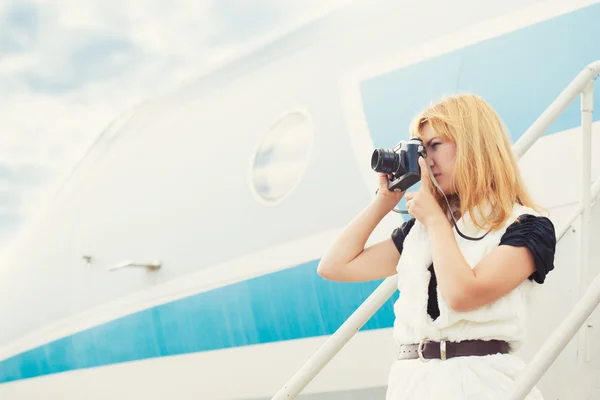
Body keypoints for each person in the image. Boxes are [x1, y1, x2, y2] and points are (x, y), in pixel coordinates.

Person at [317, 93, 556, 399]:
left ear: (473, 146)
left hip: (482, 384)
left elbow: (461, 295)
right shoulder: (421, 231)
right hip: (412, 381)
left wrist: (435, 220)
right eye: (420, 149)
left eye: (434, 146)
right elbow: (335, 266)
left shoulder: (525, 226)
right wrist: (384, 201)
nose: (426, 160)